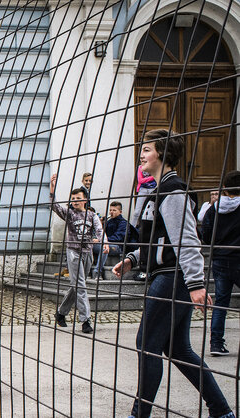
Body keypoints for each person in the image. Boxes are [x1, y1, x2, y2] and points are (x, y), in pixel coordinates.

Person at [113, 129, 233, 418]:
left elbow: (186, 240)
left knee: (147, 344)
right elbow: (160, 240)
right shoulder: (159, 190)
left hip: (172, 277)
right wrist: (133, 258)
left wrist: (195, 283)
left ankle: (138, 414)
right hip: (167, 274)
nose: (141, 154)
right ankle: (222, 411)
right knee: (178, 350)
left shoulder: (173, 190)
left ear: (163, 154)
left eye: (148, 149)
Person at [51, 173, 106, 334]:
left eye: (77, 198)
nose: (74, 201)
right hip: (73, 252)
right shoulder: (69, 214)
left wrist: (103, 243)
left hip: (87, 252)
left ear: (85, 200)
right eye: (72, 198)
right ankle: (85, 320)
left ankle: (60, 313)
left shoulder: (91, 215)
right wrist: (52, 190)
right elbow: (54, 206)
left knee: (76, 285)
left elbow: (99, 230)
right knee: (80, 285)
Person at [202, 170, 240, 357]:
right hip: (238, 258)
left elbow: (206, 236)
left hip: (219, 260)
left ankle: (216, 343)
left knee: (221, 303)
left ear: (224, 188)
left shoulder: (213, 209)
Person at [91, 201, 136, 279]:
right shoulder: (108, 222)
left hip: (118, 247)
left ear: (120, 212)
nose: (111, 212)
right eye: (110, 210)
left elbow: (118, 238)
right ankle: (87, 270)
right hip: (107, 243)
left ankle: (98, 272)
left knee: (104, 248)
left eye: (114, 210)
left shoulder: (124, 223)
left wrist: (100, 241)